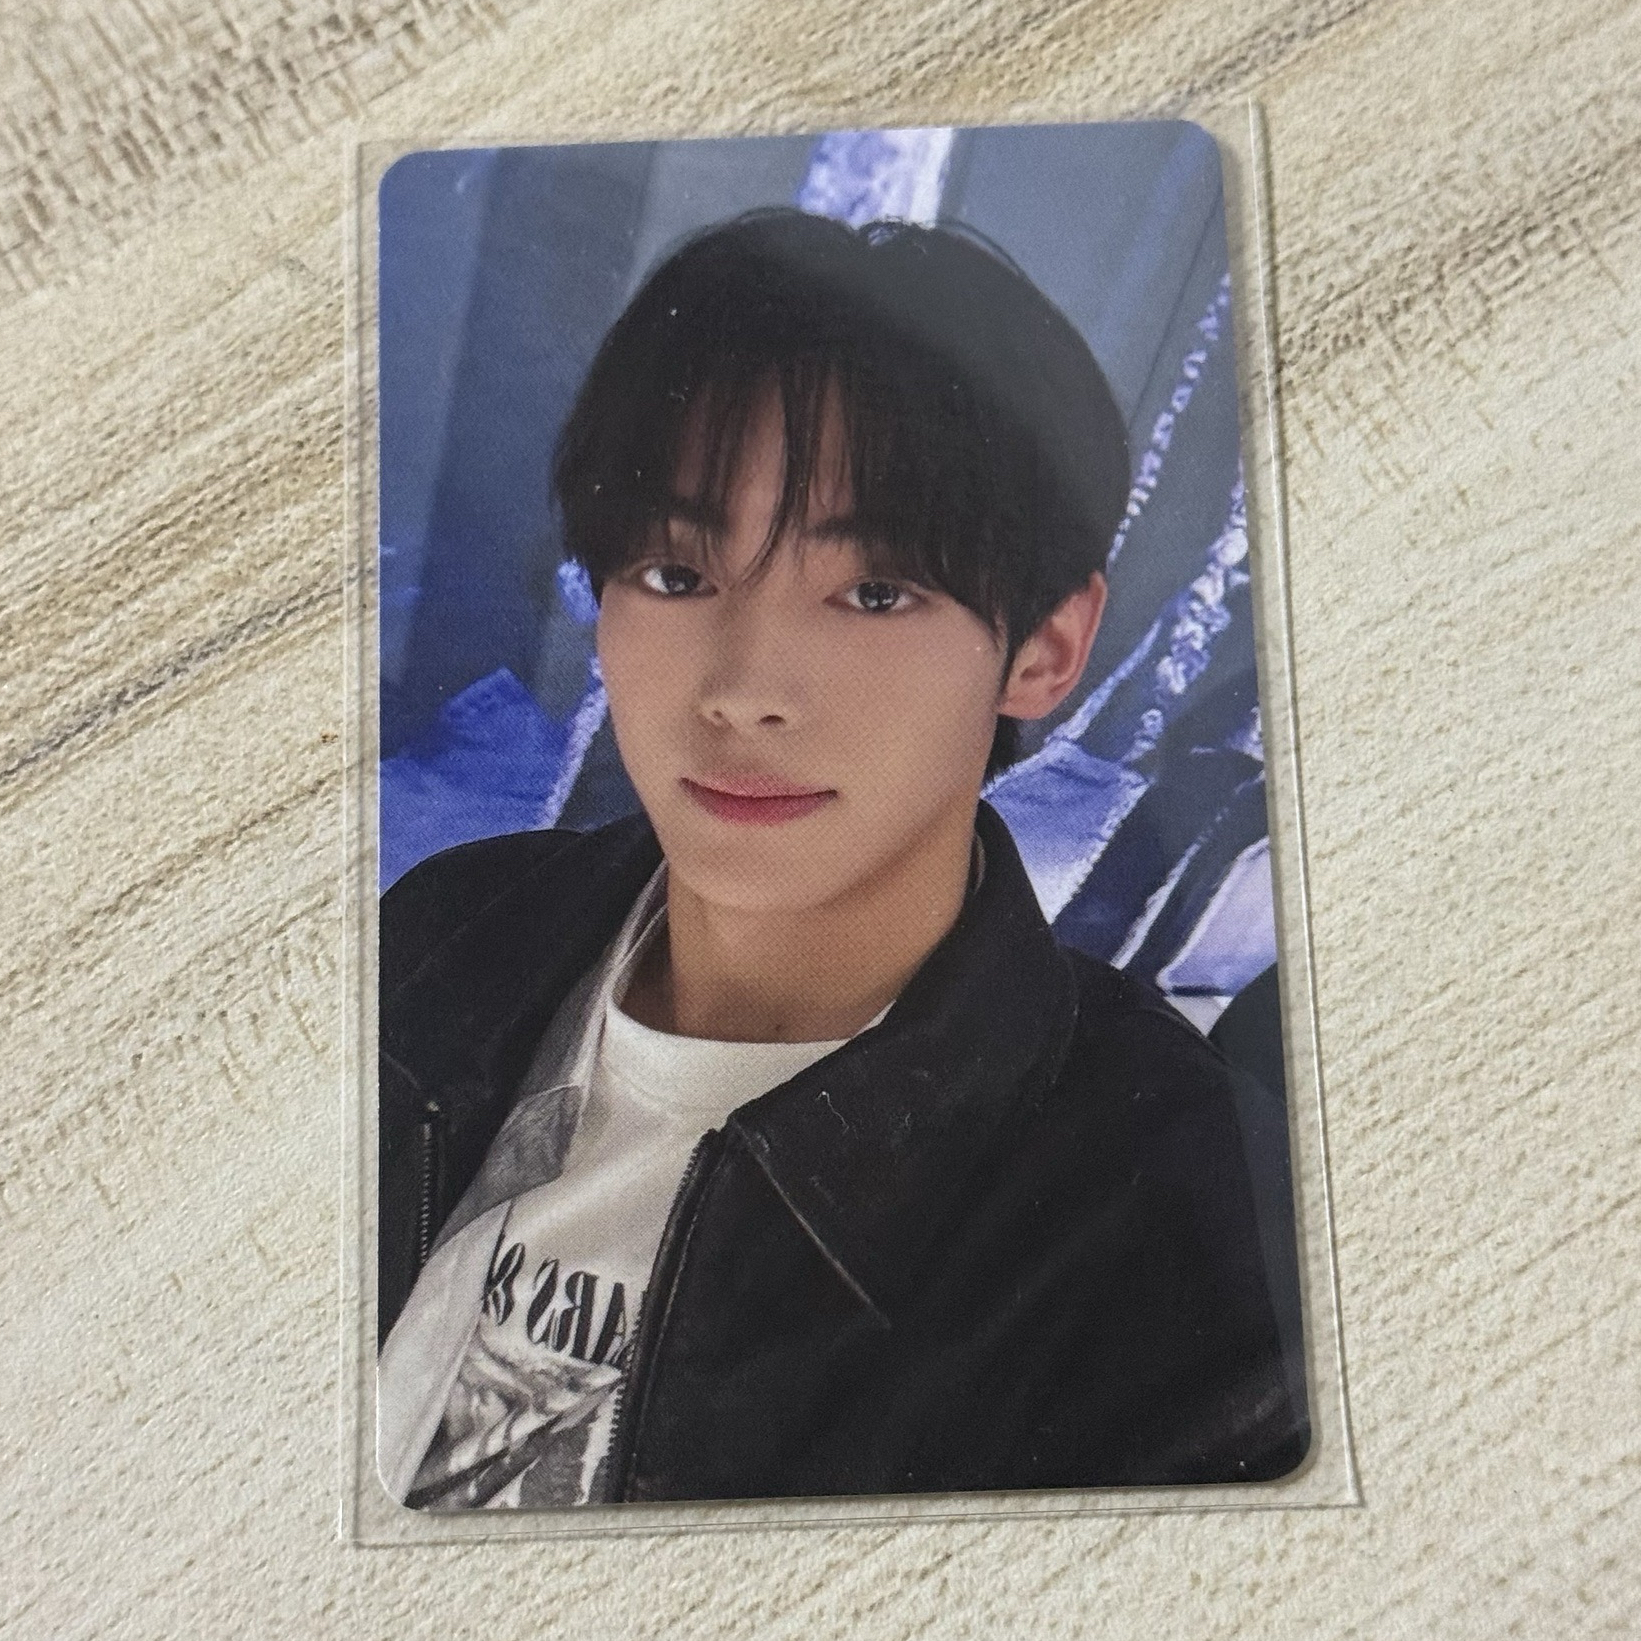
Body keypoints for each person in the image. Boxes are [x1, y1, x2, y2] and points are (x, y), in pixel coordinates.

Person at [376, 208, 1309, 1510]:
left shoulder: (1173, 1230)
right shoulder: (445, 935)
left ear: (1045, 645)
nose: (745, 690)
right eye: (675, 573)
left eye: (874, 593)